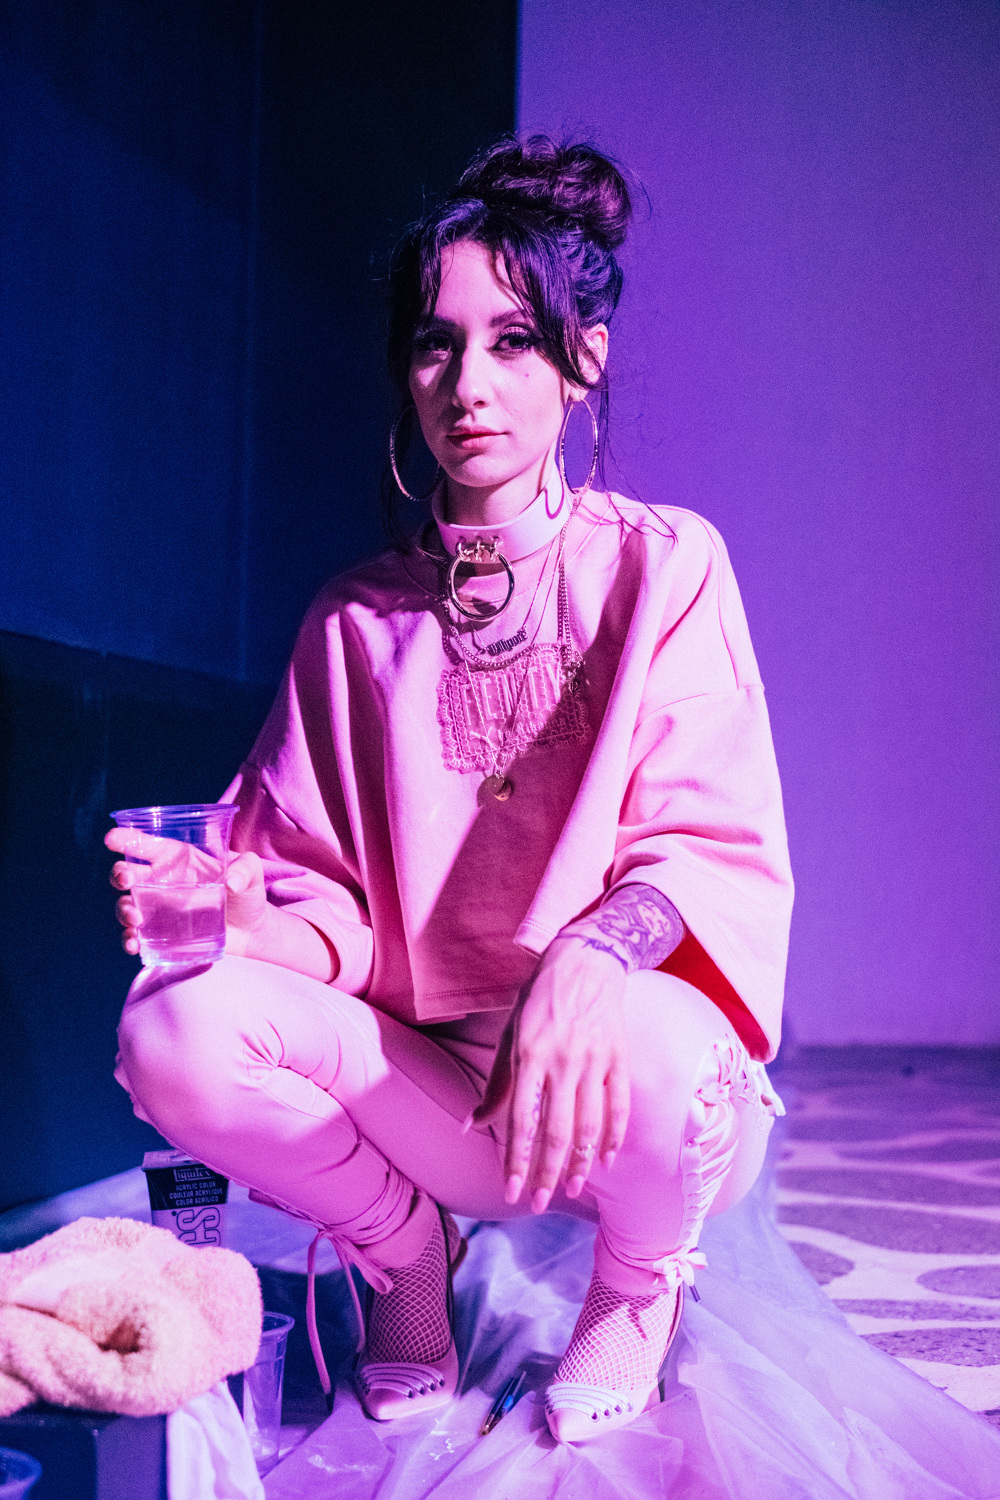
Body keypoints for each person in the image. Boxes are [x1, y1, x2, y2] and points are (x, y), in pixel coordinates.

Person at [107, 136, 793, 1446]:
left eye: (514, 342)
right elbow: (334, 911)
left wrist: (590, 958)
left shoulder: (667, 568)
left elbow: (705, 850)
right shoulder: (355, 622)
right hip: (432, 1103)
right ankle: (404, 1256)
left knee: (669, 1051)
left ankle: (634, 1290)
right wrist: (250, 924)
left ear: (585, 358)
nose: (467, 384)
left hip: (629, 1105)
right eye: (436, 344)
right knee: (171, 1023)